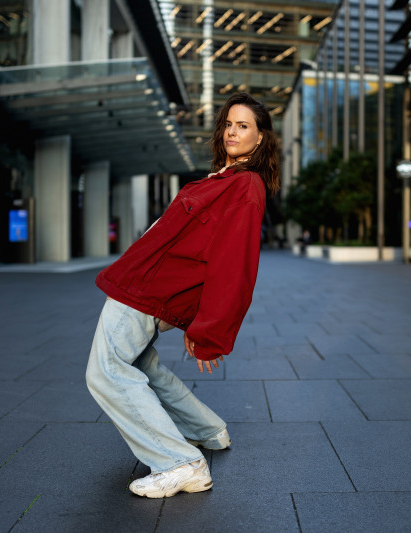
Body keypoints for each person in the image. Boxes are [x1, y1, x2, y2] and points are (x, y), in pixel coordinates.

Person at [85, 92, 279, 499]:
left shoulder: (244, 186)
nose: (232, 132)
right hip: (146, 283)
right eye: (229, 123)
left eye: (244, 126)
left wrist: (208, 330)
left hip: (147, 289)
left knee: (106, 372)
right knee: (143, 366)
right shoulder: (226, 178)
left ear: (260, 138)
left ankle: (178, 463)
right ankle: (207, 429)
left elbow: (234, 267)